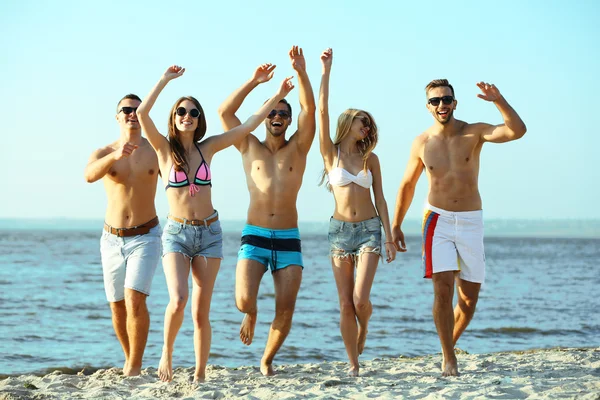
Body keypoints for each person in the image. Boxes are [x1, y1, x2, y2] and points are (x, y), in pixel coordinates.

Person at [136, 65, 294, 383]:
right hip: (177, 234)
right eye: (181, 111)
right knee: (178, 299)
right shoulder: (164, 150)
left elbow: (248, 123)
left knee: (199, 311)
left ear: (199, 119)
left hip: (209, 234)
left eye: (193, 112)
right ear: (174, 116)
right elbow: (141, 114)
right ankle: (166, 353)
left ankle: (200, 372)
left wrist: (274, 93)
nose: (187, 116)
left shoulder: (208, 148)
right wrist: (164, 81)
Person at [391, 79, 527, 376]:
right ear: (428, 107)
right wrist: (396, 224)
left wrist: (498, 99)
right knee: (442, 290)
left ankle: (446, 346)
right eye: (435, 101)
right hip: (436, 218)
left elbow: (517, 131)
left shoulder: (474, 132)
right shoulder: (422, 142)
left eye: (446, 99)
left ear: (455, 102)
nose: (442, 105)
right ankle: (448, 357)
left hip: (470, 220)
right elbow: (407, 184)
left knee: (468, 300)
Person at [217, 45, 316, 376]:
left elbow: (310, 109)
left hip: (288, 237)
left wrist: (301, 72)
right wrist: (255, 82)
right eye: (272, 112)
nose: (277, 117)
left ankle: (267, 359)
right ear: (264, 116)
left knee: (286, 309)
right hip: (255, 235)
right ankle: (252, 312)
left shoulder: (299, 147)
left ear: (288, 120)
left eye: (283, 113)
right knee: (244, 301)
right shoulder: (247, 143)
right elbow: (224, 112)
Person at [317, 48, 396, 376]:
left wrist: (389, 237)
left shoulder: (370, 159)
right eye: (362, 123)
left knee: (361, 300)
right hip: (339, 232)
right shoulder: (329, 153)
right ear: (348, 124)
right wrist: (326, 70)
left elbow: (381, 199)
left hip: (368, 231)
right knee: (345, 303)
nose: (366, 128)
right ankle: (353, 363)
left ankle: (364, 328)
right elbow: (321, 109)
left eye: (369, 125)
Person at [84, 94, 161, 376]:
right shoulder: (104, 151)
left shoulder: (156, 149)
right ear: (117, 116)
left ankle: (134, 366)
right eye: (126, 110)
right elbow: (89, 175)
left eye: (137, 110)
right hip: (111, 238)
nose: (131, 113)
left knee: (134, 299)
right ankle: (131, 359)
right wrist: (117, 156)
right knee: (117, 305)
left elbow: (177, 179)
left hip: (146, 235)